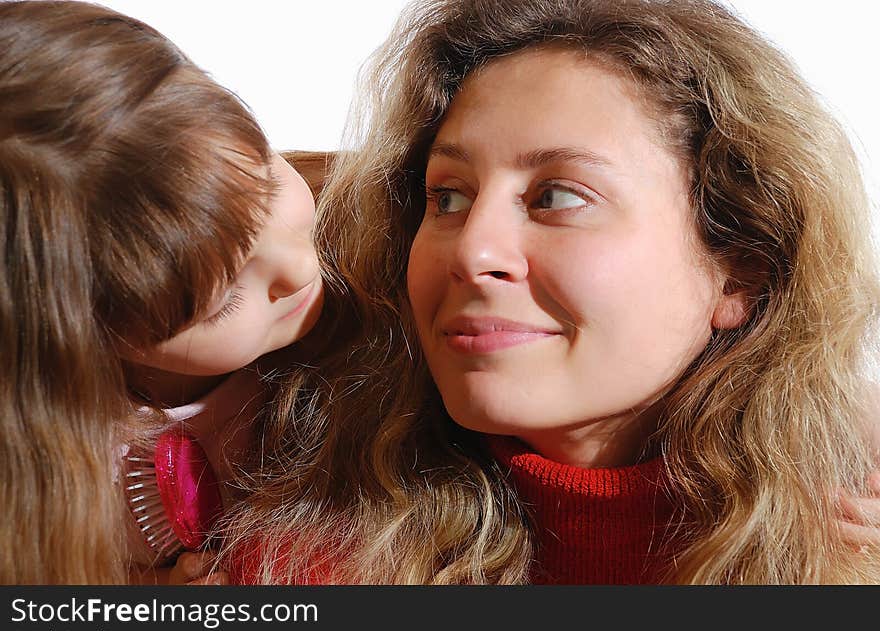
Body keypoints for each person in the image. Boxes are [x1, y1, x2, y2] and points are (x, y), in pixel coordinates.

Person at [226, 0, 880, 584]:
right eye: (447, 196)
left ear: (742, 270)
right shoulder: (298, 568)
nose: (473, 250)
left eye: (558, 196)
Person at [0, 0, 324, 584]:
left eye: (268, 184)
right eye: (224, 299)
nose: (300, 265)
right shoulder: (52, 473)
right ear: (88, 340)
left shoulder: (376, 278)